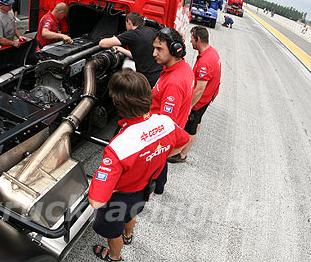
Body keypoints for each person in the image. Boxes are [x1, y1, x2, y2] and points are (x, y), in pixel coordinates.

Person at [89, 70, 189, 262]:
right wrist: (159, 157)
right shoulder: (166, 123)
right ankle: (128, 235)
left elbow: (96, 201)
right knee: (131, 215)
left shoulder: (119, 147)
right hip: (143, 190)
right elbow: (182, 142)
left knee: (112, 232)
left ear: (117, 103)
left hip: (119, 198)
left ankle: (114, 255)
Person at [150, 27, 194, 192]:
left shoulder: (174, 83)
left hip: (159, 140)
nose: (154, 53)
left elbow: (164, 124)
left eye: (159, 49)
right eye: (154, 48)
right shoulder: (183, 68)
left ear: (176, 50)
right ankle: (160, 186)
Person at [168, 26, 221, 163]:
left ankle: (181, 155)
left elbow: (200, 89)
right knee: (196, 124)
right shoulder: (212, 53)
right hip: (207, 99)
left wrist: (189, 106)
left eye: (192, 38)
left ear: (198, 39)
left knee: (190, 129)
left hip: (199, 102)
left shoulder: (205, 62)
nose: (190, 41)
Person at [99, 12, 162, 88]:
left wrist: (109, 38)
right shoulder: (151, 30)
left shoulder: (132, 34)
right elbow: (140, 56)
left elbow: (102, 43)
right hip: (160, 76)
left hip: (148, 79)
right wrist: (121, 49)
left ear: (129, 22)